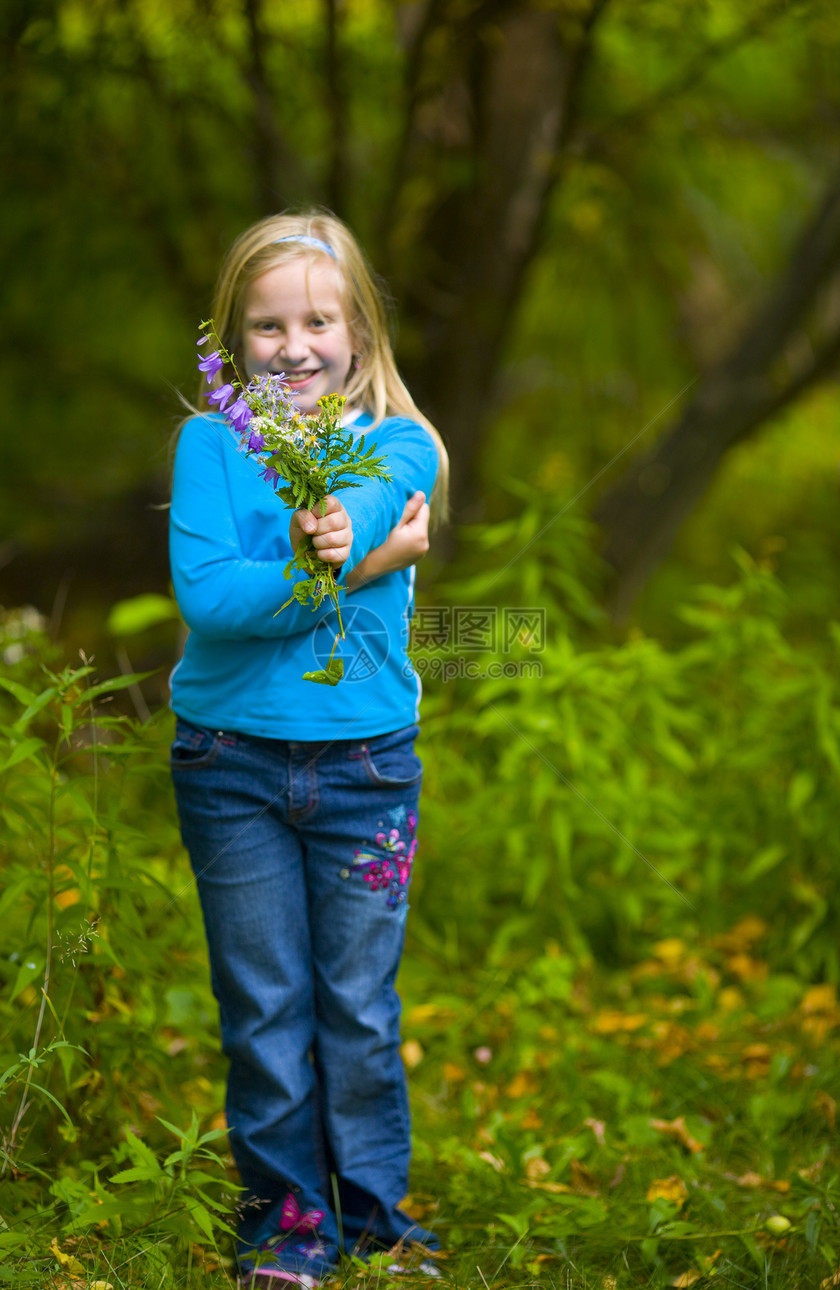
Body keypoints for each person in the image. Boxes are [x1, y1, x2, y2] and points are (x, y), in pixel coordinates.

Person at [168, 210, 449, 1287]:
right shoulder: (209, 448)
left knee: (358, 1011)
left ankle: (374, 1216)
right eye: (267, 326)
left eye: (318, 321)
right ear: (234, 342)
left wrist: (348, 527)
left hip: (366, 770)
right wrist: (349, 568)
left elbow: (375, 496)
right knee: (265, 1012)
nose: (295, 346)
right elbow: (214, 602)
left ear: (359, 334)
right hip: (228, 767)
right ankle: (285, 1230)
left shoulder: (396, 443)